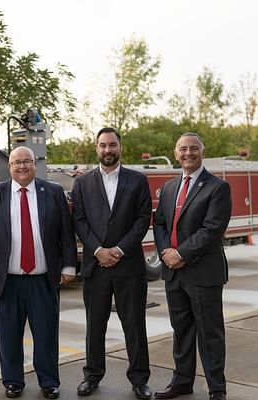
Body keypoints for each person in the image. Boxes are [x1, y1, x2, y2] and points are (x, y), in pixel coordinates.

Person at [0, 146, 78, 400]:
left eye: (27, 162)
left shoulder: (52, 192)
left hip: (44, 279)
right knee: (9, 335)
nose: (22, 167)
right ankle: (13, 381)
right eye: (16, 162)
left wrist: (68, 265)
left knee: (46, 334)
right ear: (9, 166)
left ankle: (48, 382)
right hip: (7, 280)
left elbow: (66, 232)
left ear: (35, 164)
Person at [71, 127, 153, 400]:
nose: (108, 150)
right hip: (96, 267)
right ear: (97, 148)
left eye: (112, 145)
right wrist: (97, 251)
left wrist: (118, 249)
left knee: (135, 325)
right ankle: (92, 375)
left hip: (128, 265)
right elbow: (79, 221)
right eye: (103, 145)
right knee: (95, 325)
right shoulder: (82, 183)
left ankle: (140, 379)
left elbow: (142, 220)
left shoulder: (137, 181)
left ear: (120, 147)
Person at [153, 133, 232, 400]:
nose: (188, 153)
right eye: (183, 149)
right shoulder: (168, 188)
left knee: (210, 335)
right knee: (182, 331)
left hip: (203, 272)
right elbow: (160, 223)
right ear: (176, 153)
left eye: (193, 148)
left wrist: (182, 254)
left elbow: (212, 230)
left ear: (203, 151)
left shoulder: (217, 188)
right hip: (173, 273)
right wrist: (167, 253)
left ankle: (216, 389)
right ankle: (182, 382)